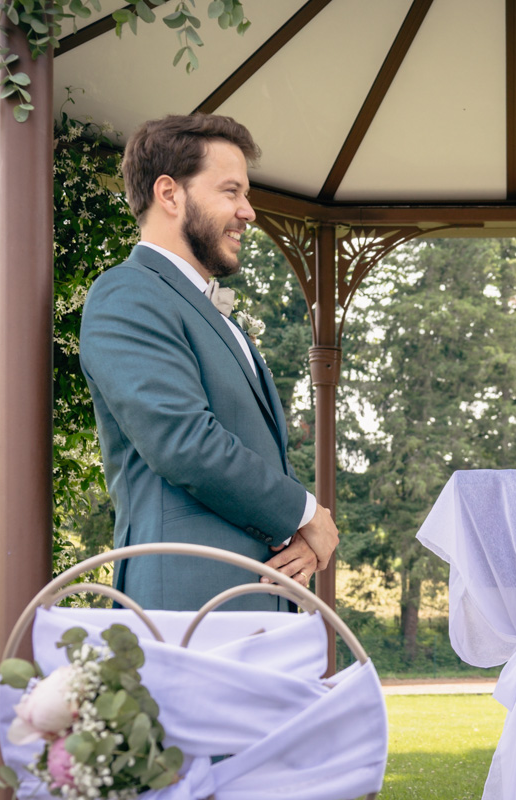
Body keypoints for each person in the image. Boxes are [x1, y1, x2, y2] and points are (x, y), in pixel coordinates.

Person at [80, 114, 338, 611]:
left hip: (248, 604)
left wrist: (295, 526)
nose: (249, 212)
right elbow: (184, 441)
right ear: (170, 194)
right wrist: (305, 512)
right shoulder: (128, 293)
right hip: (186, 603)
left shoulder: (207, 309)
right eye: (231, 192)